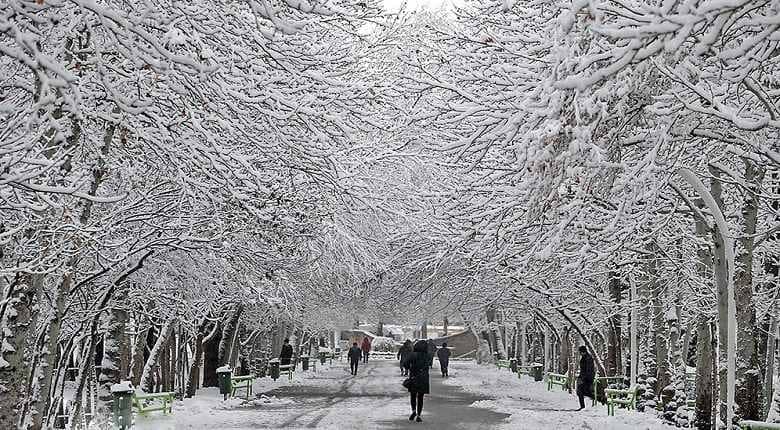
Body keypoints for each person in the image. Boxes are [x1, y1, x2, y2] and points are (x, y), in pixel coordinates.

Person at [402, 340, 430, 423]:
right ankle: (419, 415)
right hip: (424, 378)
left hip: (414, 377)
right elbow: (429, 363)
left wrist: (410, 368)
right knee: (420, 397)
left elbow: (405, 363)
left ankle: (413, 411)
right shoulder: (427, 355)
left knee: (413, 395)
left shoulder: (413, 355)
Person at [576, 345, 595, 410]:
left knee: (582, 391)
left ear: (583, 351)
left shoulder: (588, 358)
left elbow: (589, 369)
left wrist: (584, 378)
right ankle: (583, 406)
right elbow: (583, 369)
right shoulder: (584, 357)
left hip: (588, 378)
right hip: (584, 378)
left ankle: (596, 400)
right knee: (580, 391)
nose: (580, 353)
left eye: (580, 352)